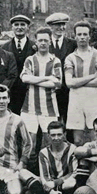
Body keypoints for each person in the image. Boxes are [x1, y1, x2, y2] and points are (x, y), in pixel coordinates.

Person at [20, 27, 62, 170]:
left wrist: (35, 79)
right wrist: (46, 77)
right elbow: (25, 78)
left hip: (49, 108)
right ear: (36, 42)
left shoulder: (55, 61)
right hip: (30, 108)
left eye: (45, 40)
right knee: (29, 144)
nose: (43, 43)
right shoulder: (30, 60)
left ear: (50, 41)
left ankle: (48, 173)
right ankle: (27, 176)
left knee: (49, 142)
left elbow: (57, 82)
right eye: (40, 40)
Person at [64, 21, 97, 146]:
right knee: (78, 140)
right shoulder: (70, 57)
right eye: (79, 34)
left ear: (90, 36)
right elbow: (69, 82)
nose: (82, 37)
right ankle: (80, 165)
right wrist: (92, 76)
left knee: (96, 136)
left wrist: (79, 82)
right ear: (74, 36)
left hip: (95, 98)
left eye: (85, 34)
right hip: (76, 99)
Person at [46, 12, 77, 124]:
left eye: (63, 24)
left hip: (68, 90)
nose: (61, 27)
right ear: (51, 27)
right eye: (57, 25)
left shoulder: (73, 44)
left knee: (70, 120)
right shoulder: (45, 43)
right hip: (50, 89)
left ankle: (69, 141)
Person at [1, 14, 36, 114]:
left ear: (27, 28)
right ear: (12, 27)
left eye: (22, 24)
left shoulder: (34, 47)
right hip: (11, 91)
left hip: (29, 90)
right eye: (16, 25)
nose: (19, 27)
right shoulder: (4, 47)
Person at [36, 121, 78, 194]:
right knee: (23, 173)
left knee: (70, 184)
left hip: (65, 182)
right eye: (53, 135)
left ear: (64, 134)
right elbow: (44, 177)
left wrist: (55, 183)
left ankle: (43, 193)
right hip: (50, 183)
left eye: (59, 134)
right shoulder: (43, 152)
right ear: (48, 136)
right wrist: (52, 192)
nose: (56, 138)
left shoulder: (72, 149)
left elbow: (73, 173)